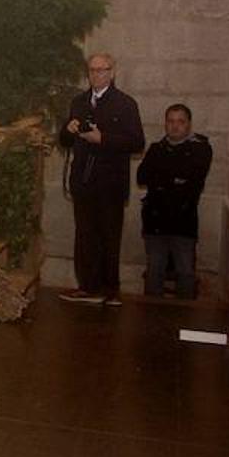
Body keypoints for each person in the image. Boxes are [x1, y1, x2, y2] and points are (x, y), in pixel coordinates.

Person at [58, 52, 145, 306]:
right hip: (83, 180)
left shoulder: (125, 103)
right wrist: (68, 129)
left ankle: (110, 290)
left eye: (102, 70)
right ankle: (87, 286)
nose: (97, 75)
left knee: (109, 235)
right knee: (84, 235)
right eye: (93, 70)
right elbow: (64, 141)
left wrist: (103, 139)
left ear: (112, 72)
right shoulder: (79, 102)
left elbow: (137, 142)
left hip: (111, 183)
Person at [135, 104, 212, 299]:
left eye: (180, 121)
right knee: (154, 272)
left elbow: (193, 180)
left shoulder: (201, 148)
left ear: (188, 124)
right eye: (170, 121)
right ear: (165, 124)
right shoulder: (156, 148)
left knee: (185, 273)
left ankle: (184, 319)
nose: (175, 126)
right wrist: (176, 178)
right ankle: (151, 320)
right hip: (156, 221)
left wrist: (162, 177)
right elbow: (142, 177)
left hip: (183, 222)